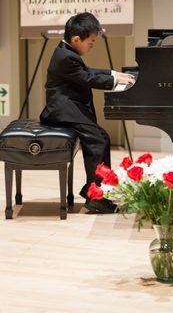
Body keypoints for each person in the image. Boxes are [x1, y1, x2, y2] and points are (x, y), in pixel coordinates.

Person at [40, 12, 135, 213]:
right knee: (99, 139)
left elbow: (87, 71)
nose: (92, 45)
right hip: (62, 110)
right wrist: (114, 82)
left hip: (69, 107)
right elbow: (87, 78)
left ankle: (93, 191)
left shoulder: (66, 52)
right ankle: (96, 197)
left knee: (100, 138)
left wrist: (112, 74)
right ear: (76, 39)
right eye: (91, 42)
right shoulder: (66, 57)